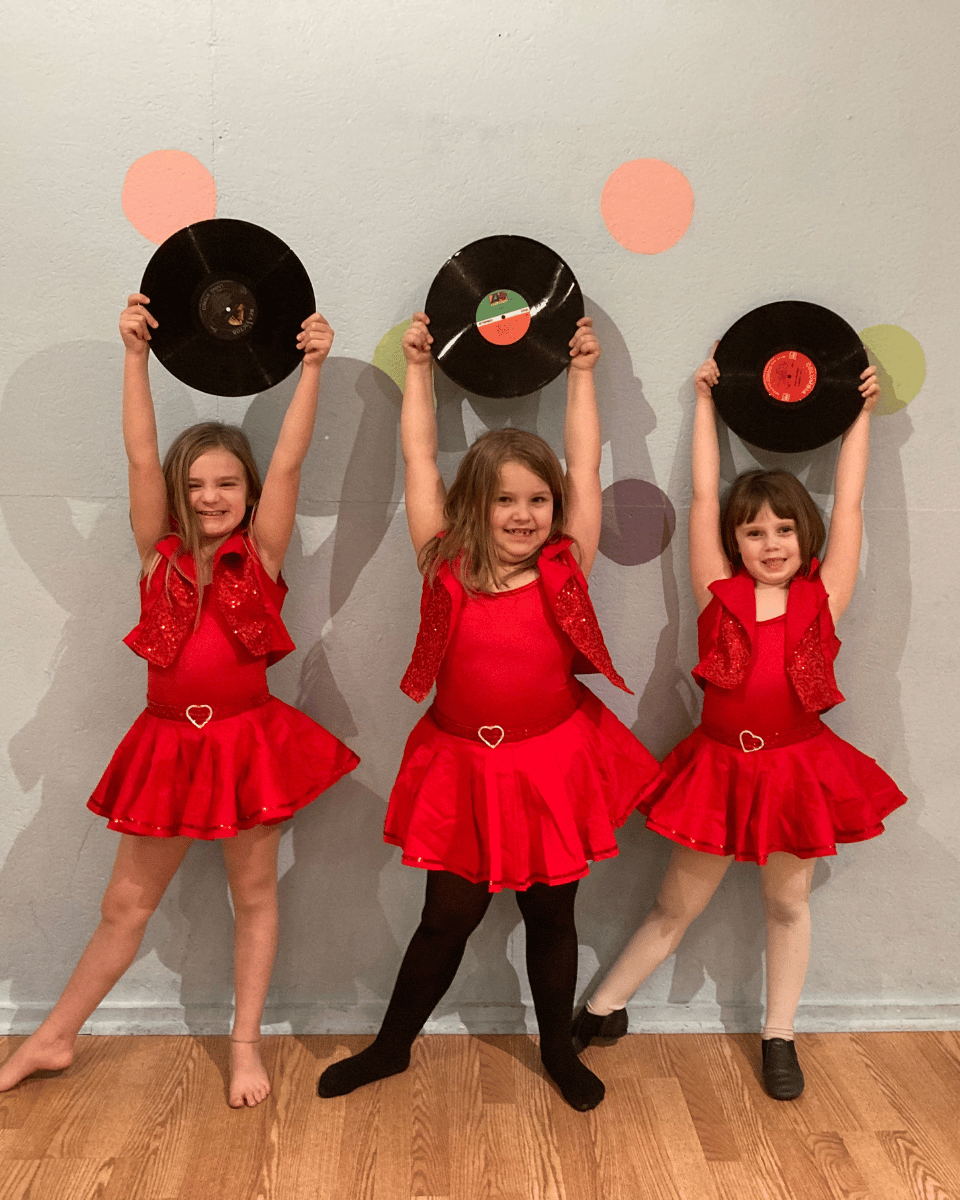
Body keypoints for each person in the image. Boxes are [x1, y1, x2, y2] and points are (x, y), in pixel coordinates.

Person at [0, 294, 359, 1106]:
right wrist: (132, 357)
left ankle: (244, 1046)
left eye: (227, 482)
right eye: (194, 484)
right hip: (168, 746)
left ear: (248, 491)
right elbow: (137, 459)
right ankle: (53, 1038)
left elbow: (294, 465)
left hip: (247, 742)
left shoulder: (260, 556)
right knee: (124, 904)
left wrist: (312, 370)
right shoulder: (153, 556)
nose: (209, 497)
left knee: (254, 894)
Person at [317, 311, 662, 1111]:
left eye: (538, 500)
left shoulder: (565, 563)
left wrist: (581, 375)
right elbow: (416, 458)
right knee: (447, 917)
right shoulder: (442, 560)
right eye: (505, 499)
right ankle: (391, 1046)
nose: (523, 514)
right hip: (464, 763)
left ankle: (556, 1051)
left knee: (551, 913)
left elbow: (583, 456)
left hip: (551, 761)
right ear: (474, 503)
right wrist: (417, 373)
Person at [571, 346, 906, 1100]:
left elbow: (849, 504)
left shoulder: (826, 598)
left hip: (797, 769)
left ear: (804, 538)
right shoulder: (715, 592)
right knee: (673, 904)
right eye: (754, 532)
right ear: (736, 542)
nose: (772, 544)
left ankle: (779, 1034)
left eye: (785, 530)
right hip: (719, 768)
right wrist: (704, 407)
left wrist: (860, 416)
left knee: (786, 902)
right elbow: (698, 497)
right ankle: (604, 1005)